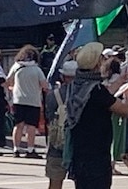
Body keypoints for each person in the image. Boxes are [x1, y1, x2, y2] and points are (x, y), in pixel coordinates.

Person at [66, 42, 128, 189]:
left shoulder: (79, 84)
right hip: (96, 155)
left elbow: (105, 96)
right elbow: (125, 110)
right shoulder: (95, 90)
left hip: (80, 153)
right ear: (96, 63)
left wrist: (120, 80)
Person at [7, 44, 48, 158]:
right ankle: (30, 149)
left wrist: (13, 88)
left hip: (18, 100)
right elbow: (44, 85)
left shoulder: (16, 66)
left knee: (18, 125)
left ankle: (16, 149)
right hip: (33, 100)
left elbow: (8, 81)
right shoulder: (37, 69)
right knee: (31, 126)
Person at [45, 60, 77, 189]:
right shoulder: (83, 94)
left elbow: (48, 116)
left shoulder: (52, 95)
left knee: (55, 182)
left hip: (56, 143)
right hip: (77, 145)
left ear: (63, 77)